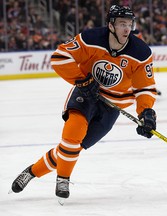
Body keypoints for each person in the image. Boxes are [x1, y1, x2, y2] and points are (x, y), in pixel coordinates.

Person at [10, 5, 157, 203]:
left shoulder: (140, 52)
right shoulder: (91, 38)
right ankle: (63, 178)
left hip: (113, 106)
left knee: (72, 149)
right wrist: (82, 80)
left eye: (129, 24)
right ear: (111, 25)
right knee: (72, 136)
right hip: (86, 93)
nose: (127, 29)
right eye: (122, 24)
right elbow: (60, 57)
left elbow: (144, 88)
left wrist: (146, 112)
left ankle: (32, 171)